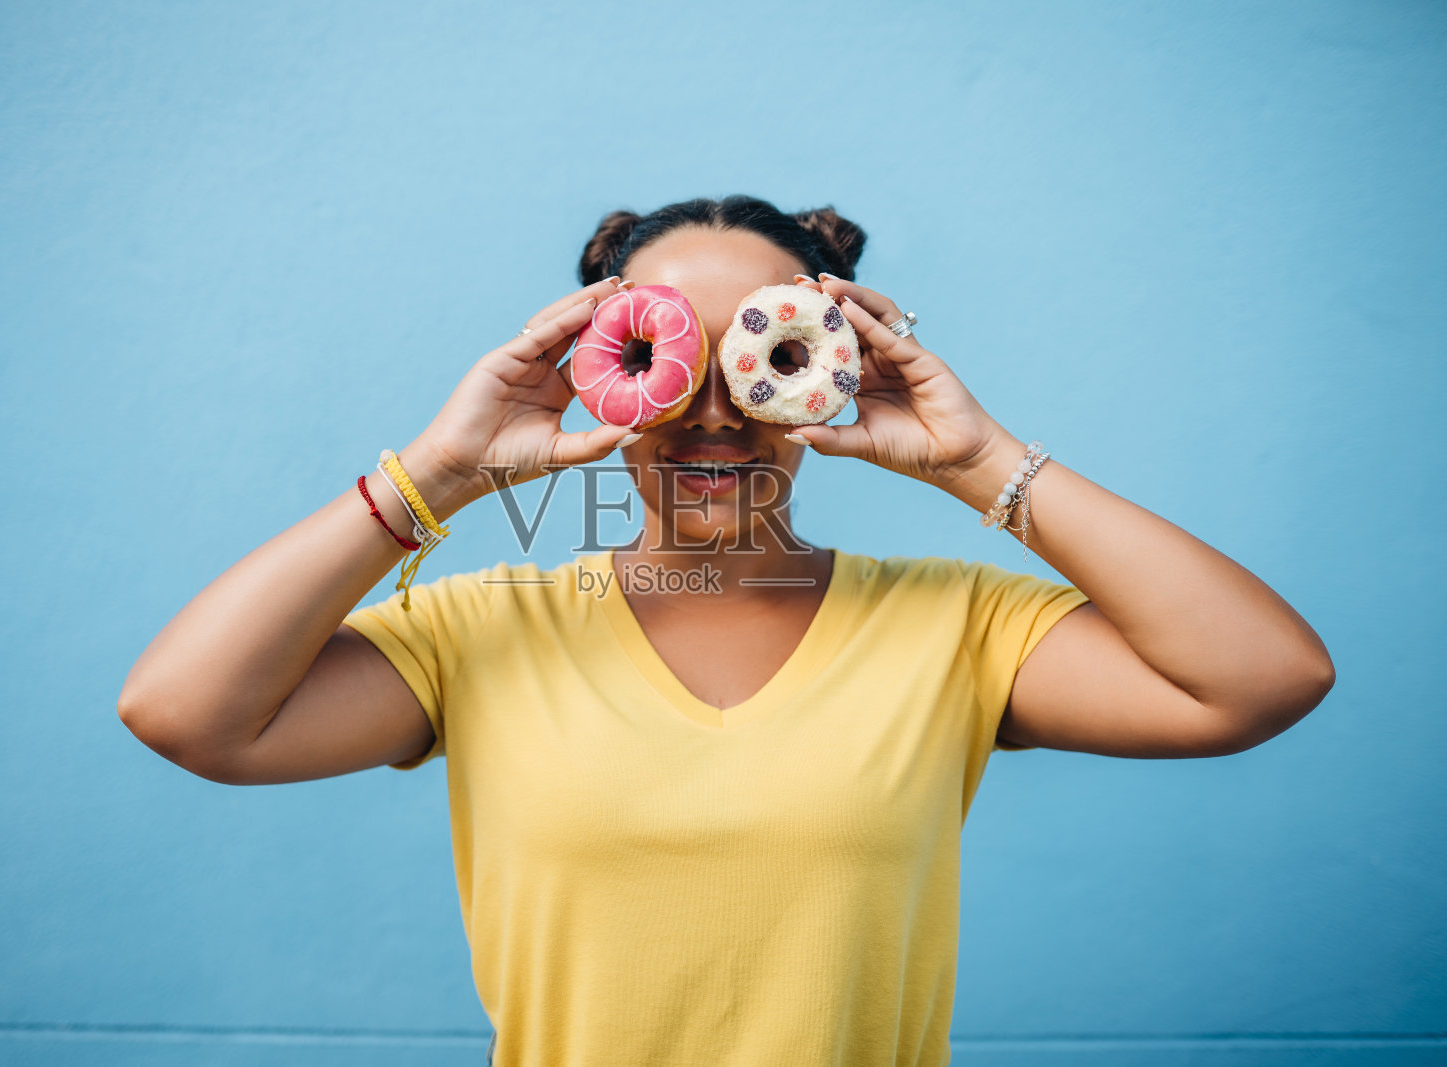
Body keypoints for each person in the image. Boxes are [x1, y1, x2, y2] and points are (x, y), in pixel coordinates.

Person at [117, 194, 1337, 1067]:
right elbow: (185, 713)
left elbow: (1261, 679)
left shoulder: (954, 627)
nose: (711, 411)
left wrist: (982, 461)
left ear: (831, 367)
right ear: (596, 367)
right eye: (664, 357)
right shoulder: (480, 634)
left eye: (764, 357)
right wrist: (440, 469)